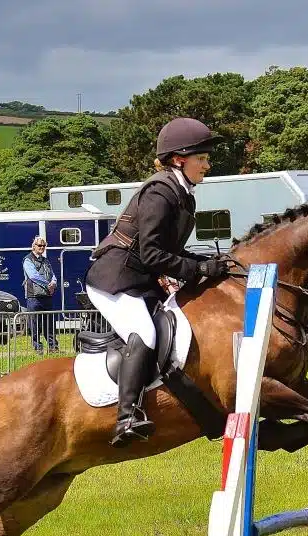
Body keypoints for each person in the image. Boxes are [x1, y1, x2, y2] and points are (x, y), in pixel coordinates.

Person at [86, 117, 232, 447]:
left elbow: (171, 252)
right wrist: (199, 270)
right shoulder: (159, 192)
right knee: (146, 332)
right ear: (179, 159)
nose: (207, 166)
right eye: (202, 159)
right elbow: (152, 254)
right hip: (115, 278)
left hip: (141, 278)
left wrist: (211, 264)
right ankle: (126, 417)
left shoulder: (182, 195)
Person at [22, 236, 58, 353]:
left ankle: (53, 347)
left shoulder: (46, 260)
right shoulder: (28, 260)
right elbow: (33, 276)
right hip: (34, 297)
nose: (42, 248)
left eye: (44, 246)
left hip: (47, 296)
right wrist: (48, 284)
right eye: (39, 245)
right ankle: (38, 348)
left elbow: (53, 274)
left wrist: (54, 283)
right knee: (34, 324)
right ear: (34, 246)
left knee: (50, 324)